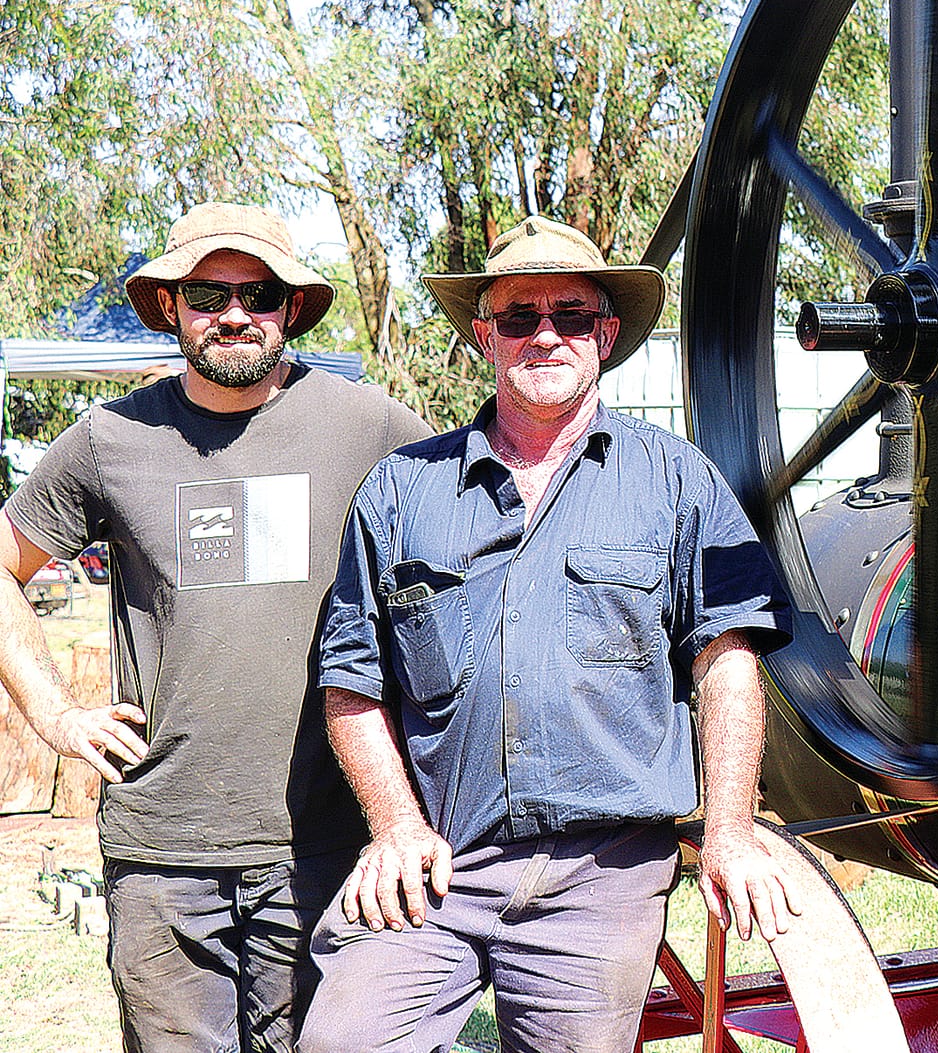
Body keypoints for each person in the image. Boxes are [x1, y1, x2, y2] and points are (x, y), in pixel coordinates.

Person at [303, 216, 796, 1053]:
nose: (546, 336)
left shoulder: (680, 483)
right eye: (519, 317)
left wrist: (730, 829)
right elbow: (352, 679)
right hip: (439, 865)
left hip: (600, 874)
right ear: (483, 336)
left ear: (604, 335)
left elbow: (728, 660)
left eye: (570, 316)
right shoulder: (401, 491)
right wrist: (393, 827)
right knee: (340, 1041)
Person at [0, 202, 431, 1052]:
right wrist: (52, 712)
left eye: (259, 292)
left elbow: (481, 542)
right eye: (208, 291)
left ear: (291, 308)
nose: (234, 313)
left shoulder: (369, 426)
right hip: (163, 849)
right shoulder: (109, 438)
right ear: (172, 306)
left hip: (324, 842)